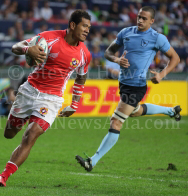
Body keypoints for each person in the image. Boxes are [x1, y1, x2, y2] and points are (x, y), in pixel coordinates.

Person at [0, 10, 92, 187]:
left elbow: (81, 78)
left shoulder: (84, 54)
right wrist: (27, 49)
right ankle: (26, 118)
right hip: (29, 92)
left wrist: (74, 103)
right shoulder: (49, 38)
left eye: (89, 28)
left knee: (31, 136)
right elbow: (16, 47)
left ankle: (3, 177)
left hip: (51, 100)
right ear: (73, 25)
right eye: (84, 26)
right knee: (9, 133)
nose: (87, 30)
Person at [75, 6, 181, 172]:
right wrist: (117, 60)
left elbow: (175, 57)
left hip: (137, 86)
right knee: (135, 111)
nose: (140, 20)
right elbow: (108, 53)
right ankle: (171, 111)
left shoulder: (157, 38)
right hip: (123, 83)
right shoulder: (126, 32)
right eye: (139, 17)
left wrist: (161, 74)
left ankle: (92, 161)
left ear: (152, 21)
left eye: (144, 18)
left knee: (116, 121)